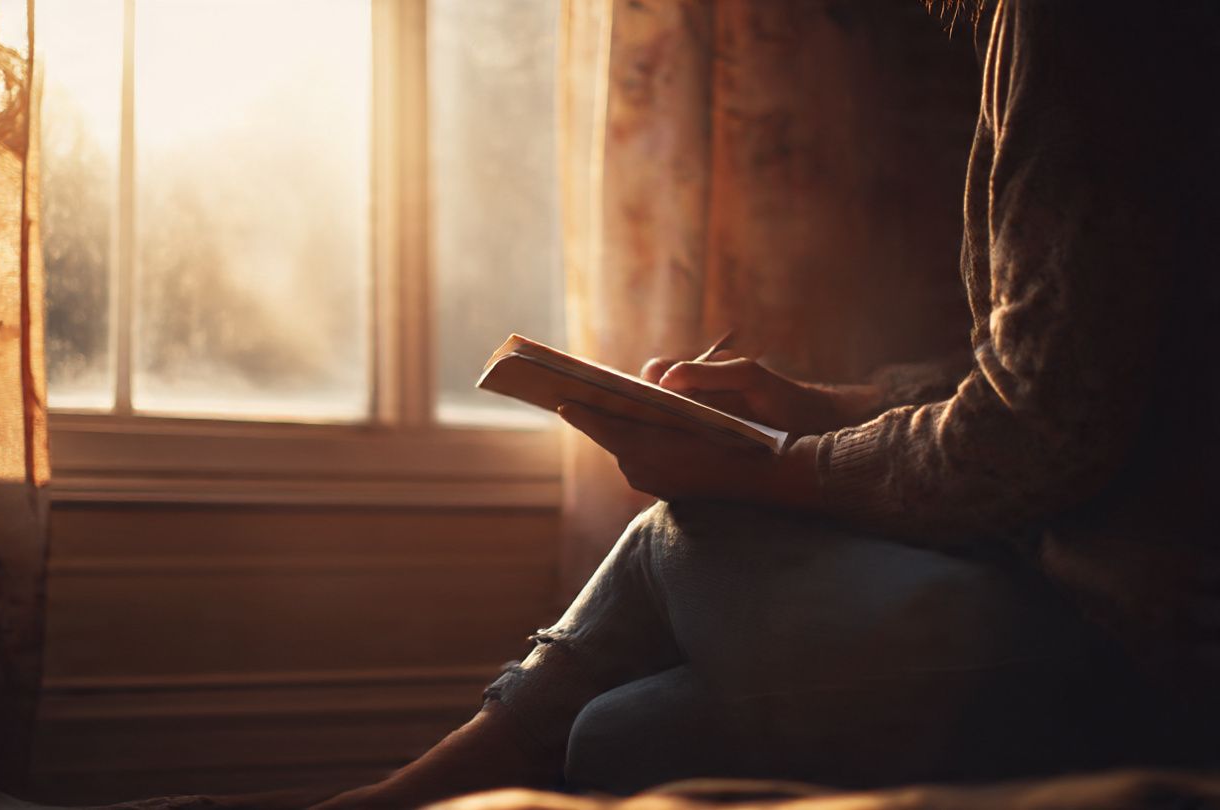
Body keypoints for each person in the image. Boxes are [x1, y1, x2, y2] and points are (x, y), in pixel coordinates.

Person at [316, 1, 1220, 806]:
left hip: (1147, 647)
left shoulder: (1086, 23)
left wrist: (770, 465)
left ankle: (389, 802)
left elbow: (1039, 433)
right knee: (618, 735)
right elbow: (1075, 367)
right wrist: (825, 405)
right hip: (1087, 602)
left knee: (686, 529)